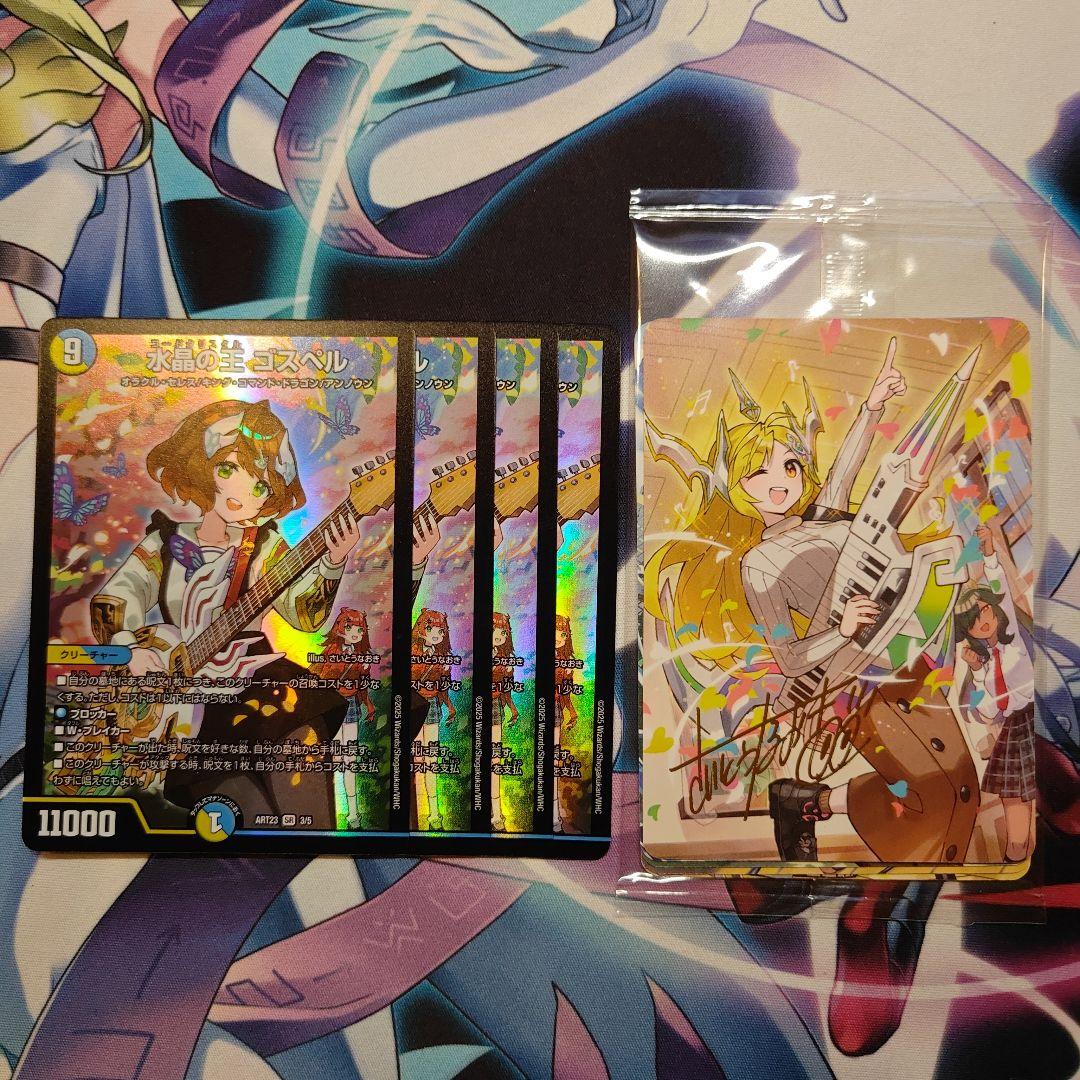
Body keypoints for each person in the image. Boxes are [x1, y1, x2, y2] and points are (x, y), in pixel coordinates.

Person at [90, 398, 360, 827]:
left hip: (258, 678)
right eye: (230, 469)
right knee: (240, 809)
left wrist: (332, 562)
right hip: (180, 704)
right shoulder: (165, 543)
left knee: (303, 759)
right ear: (201, 467)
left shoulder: (266, 547)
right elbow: (111, 604)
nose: (244, 493)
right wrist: (130, 650)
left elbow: (305, 617)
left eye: (261, 485)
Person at [956, 523, 1035, 862]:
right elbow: (989, 711)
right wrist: (976, 670)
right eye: (973, 621)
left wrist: (989, 552)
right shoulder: (985, 667)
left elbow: (999, 584)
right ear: (968, 631)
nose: (982, 621)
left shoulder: (1012, 637)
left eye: (985, 610)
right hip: (1015, 724)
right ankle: (1016, 854)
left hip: (1041, 713)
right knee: (1011, 793)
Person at [312, 608, 376, 830]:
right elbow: (319, 678)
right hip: (333, 706)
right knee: (336, 757)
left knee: (350, 760)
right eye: (350, 628)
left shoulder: (361, 655)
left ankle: (353, 815)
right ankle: (333, 813)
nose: (355, 633)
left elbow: (362, 686)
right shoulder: (331, 652)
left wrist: (367, 703)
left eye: (360, 629)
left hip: (351, 706)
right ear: (340, 628)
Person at [491, 611, 519, 832]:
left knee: (495, 758)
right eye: (494, 631)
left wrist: (512, 708)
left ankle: (496, 813)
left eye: (503, 632)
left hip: (495, 707)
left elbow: (506, 691)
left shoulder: (506, 660)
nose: (498, 636)